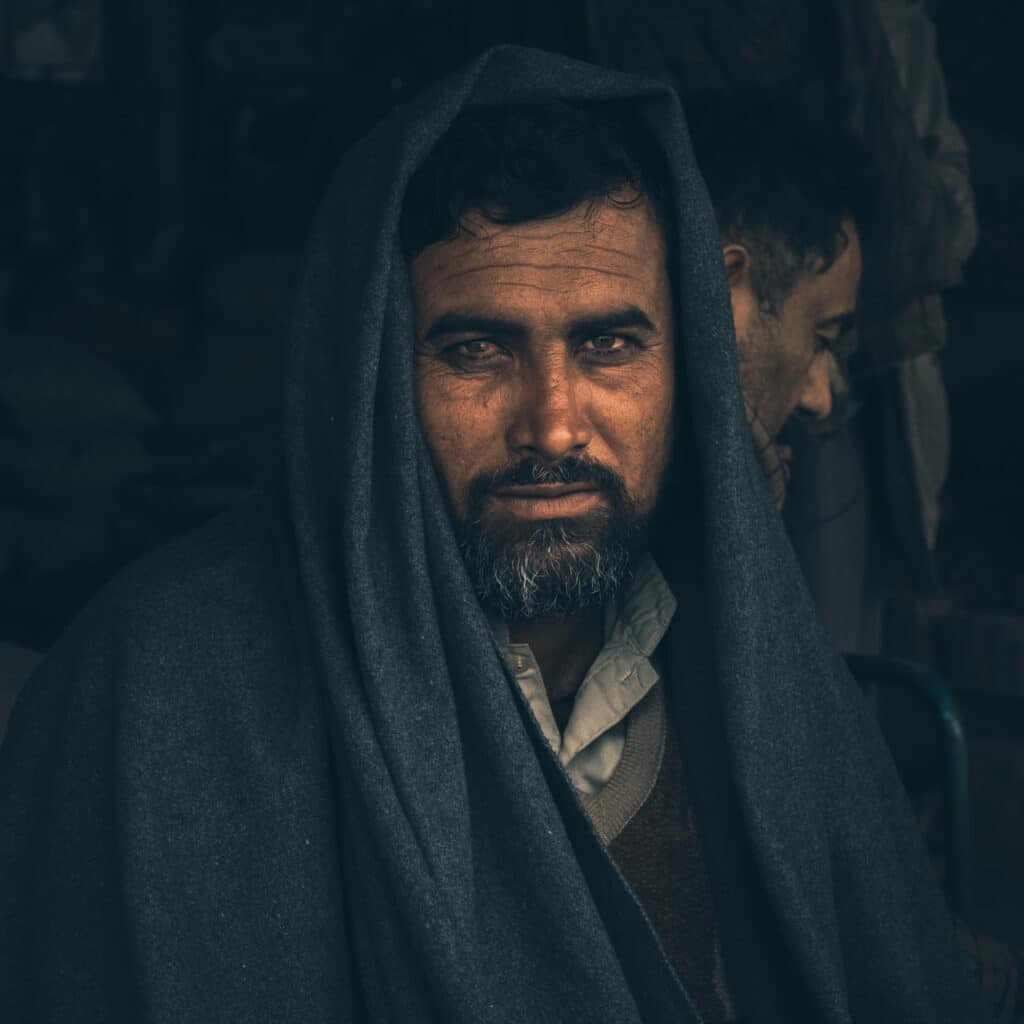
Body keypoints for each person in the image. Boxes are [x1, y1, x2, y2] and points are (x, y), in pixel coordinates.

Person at [0, 48, 990, 1023]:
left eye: (608, 346)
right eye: (477, 349)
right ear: (376, 376)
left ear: (687, 358)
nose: (553, 424)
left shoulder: (748, 661)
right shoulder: (152, 690)